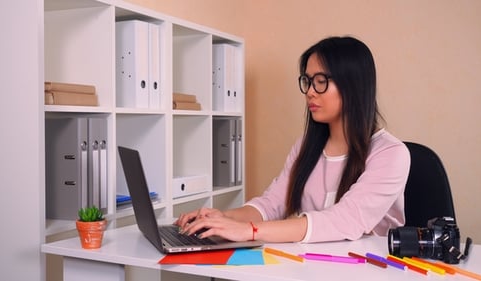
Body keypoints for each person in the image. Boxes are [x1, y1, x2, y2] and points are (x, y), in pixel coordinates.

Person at [176, 36, 411, 243]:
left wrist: (249, 231)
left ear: (353, 85)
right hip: (313, 268)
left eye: (321, 81)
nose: (310, 91)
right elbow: (273, 203)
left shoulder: (390, 154)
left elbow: (345, 220)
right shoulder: (305, 146)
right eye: (308, 81)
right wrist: (222, 218)